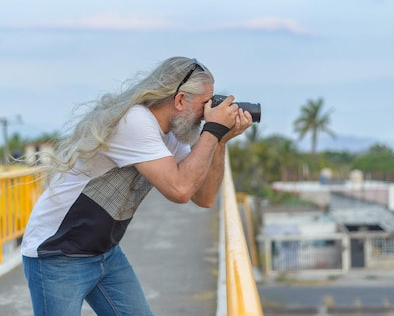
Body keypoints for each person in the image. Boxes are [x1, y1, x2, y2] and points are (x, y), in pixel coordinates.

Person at [20, 56, 253, 316]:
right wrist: (212, 130)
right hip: (58, 253)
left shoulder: (170, 135)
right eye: (205, 104)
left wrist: (219, 140)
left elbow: (204, 197)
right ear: (179, 101)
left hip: (104, 253)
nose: (208, 112)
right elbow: (180, 190)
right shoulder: (135, 122)